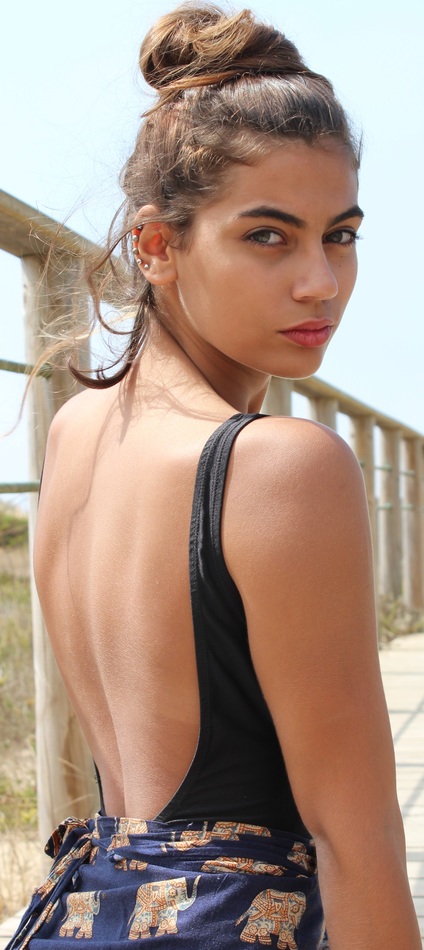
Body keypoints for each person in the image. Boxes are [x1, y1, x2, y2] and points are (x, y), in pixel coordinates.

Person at [7, 4, 421, 949]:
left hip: (84, 917)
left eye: (341, 235)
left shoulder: (75, 434)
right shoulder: (282, 467)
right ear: (156, 247)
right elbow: (357, 844)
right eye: (268, 236)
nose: (321, 282)